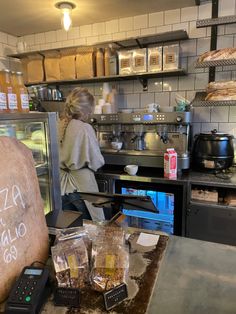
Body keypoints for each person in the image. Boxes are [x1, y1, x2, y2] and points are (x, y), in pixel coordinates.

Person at [58, 87, 105, 221]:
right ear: (86, 110)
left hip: (61, 187)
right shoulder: (84, 128)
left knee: (69, 231)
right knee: (89, 229)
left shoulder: (57, 124)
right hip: (81, 189)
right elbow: (97, 162)